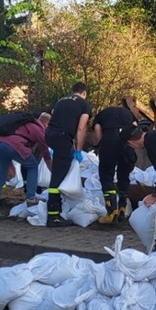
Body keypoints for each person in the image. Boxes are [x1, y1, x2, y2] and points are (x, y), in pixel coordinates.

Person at [43, 82, 92, 227]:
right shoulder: (83, 104)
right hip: (63, 137)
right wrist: (79, 149)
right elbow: (81, 128)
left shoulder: (61, 101)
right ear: (84, 93)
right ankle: (53, 216)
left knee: (59, 171)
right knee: (58, 176)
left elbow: (52, 118)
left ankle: (56, 210)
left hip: (51, 135)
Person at [0, 112, 51, 219]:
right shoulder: (38, 129)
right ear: (46, 124)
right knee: (33, 166)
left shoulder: (21, 123)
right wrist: (53, 171)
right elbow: (46, 154)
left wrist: (10, 163)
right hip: (14, 145)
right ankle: (31, 197)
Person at [92, 105, 138, 224]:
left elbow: (97, 130)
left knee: (106, 175)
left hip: (109, 142)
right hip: (127, 144)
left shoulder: (102, 114)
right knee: (124, 175)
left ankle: (111, 213)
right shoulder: (129, 113)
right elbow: (135, 126)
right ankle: (123, 209)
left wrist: (98, 145)